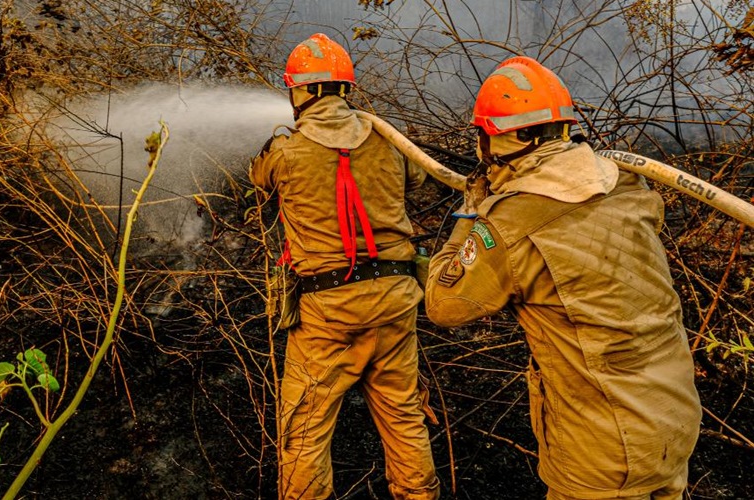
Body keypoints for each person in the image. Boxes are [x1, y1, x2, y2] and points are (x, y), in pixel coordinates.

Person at [424, 56, 702, 500]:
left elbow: (444, 305)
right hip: (672, 420)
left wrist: (472, 212)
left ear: (501, 137)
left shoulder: (511, 220)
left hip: (602, 451)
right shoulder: (625, 185)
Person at [249, 33, 440, 500]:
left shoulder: (285, 149)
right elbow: (418, 178)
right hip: (396, 301)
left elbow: (259, 178)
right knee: (402, 414)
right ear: (345, 88)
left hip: (327, 311)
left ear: (303, 92)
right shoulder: (386, 137)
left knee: (305, 426)